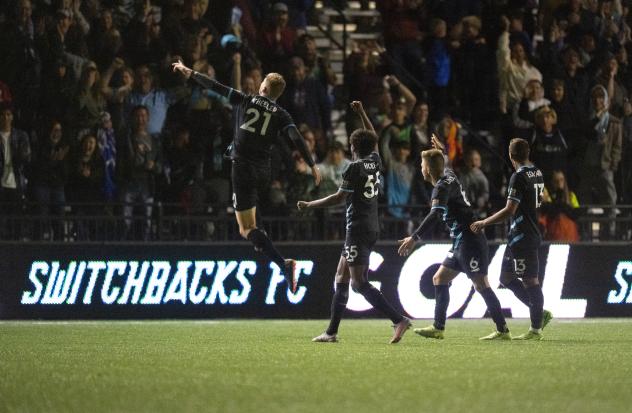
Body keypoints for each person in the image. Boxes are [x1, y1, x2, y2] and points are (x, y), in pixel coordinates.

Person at [172, 59, 321, 293]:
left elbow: (214, 86)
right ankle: (260, 237)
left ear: (263, 88)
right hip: (263, 171)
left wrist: (189, 72)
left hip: (242, 168)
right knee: (253, 214)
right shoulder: (282, 114)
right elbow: (295, 137)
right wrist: (312, 164)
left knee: (245, 229)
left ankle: (283, 263)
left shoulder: (246, 99)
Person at [298, 101, 411, 344]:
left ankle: (398, 319)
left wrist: (310, 204)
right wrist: (361, 112)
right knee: (341, 277)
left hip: (358, 229)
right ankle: (331, 332)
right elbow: (375, 139)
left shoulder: (354, 168)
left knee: (359, 283)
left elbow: (339, 197)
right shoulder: (375, 162)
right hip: (371, 226)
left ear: (353, 147)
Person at [398, 135, 510, 341]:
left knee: (481, 285)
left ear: (428, 169)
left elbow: (434, 215)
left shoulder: (441, 187)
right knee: (439, 278)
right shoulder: (448, 174)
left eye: (423, 164)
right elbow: (444, 164)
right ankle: (438, 327)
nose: (421, 168)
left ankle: (503, 330)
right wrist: (442, 151)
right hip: (461, 240)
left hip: (470, 240)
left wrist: (414, 237)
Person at [470, 138, 553, 340]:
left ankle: (536, 329)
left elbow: (509, 210)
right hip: (519, 235)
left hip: (524, 235)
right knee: (505, 278)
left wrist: (484, 222)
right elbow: (539, 200)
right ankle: (539, 313)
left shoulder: (518, 177)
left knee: (530, 280)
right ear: (528, 153)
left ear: (510, 154)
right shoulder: (537, 172)